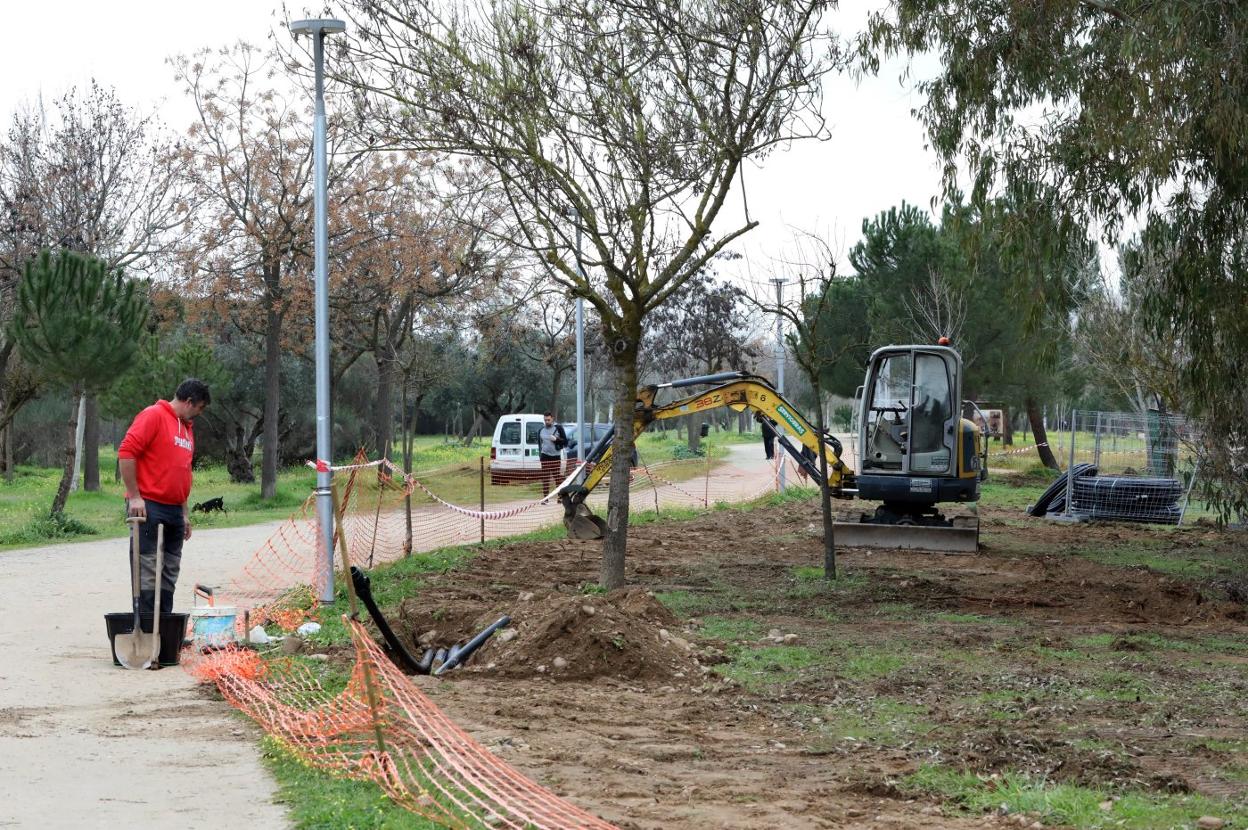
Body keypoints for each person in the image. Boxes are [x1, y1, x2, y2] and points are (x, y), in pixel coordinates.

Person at [118, 378, 211, 615]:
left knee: (169, 571)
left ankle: (165, 628)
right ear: (190, 402)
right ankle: (147, 632)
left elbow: (181, 471)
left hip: (174, 510)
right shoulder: (154, 416)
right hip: (149, 505)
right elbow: (127, 452)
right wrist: (135, 496)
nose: (199, 414)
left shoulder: (187, 430)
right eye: (200, 408)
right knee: (147, 570)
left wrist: (185, 513)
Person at [537, 411, 568, 496]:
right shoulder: (541, 430)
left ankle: (560, 496)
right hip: (544, 456)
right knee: (545, 478)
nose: (547, 422)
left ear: (552, 419)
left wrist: (556, 439)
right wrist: (540, 455)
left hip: (555, 456)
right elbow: (539, 444)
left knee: (557, 477)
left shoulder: (558, 428)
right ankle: (545, 498)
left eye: (548, 420)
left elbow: (565, 442)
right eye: (545, 420)